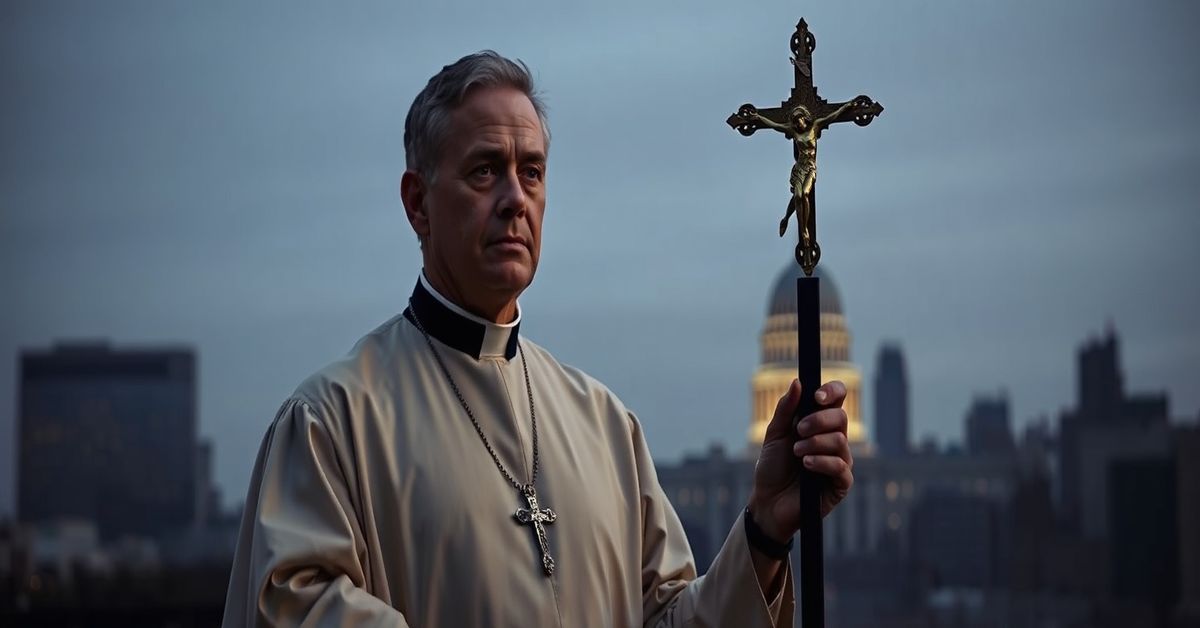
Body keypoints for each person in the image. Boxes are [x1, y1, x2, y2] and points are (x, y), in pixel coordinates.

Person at [221, 51, 854, 628]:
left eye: (531, 173)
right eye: (484, 172)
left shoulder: (605, 425)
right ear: (418, 204)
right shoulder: (333, 423)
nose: (514, 200)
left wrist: (766, 533)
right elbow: (290, 607)